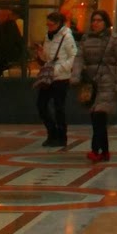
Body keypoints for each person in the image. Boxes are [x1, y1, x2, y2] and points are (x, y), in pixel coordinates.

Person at [72, 9, 117, 162]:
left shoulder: (114, 39)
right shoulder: (86, 38)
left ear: (106, 22)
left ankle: (95, 150)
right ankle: (105, 151)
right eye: (93, 20)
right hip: (91, 83)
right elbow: (79, 58)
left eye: (99, 20)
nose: (95, 23)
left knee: (99, 116)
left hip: (108, 81)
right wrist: (76, 76)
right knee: (96, 119)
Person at [34, 10, 77, 149]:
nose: (49, 27)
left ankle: (61, 137)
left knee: (59, 108)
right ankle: (52, 133)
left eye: (51, 25)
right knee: (41, 105)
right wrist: (41, 53)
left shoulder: (67, 36)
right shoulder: (48, 36)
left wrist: (59, 69)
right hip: (49, 77)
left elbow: (74, 57)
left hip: (61, 78)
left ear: (59, 24)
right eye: (47, 25)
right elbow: (48, 57)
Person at [0, 6, 23, 76]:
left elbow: (19, 42)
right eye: (3, 15)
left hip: (10, 61)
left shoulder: (12, 25)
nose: (5, 18)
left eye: (7, 15)